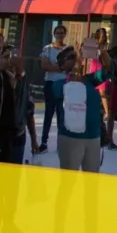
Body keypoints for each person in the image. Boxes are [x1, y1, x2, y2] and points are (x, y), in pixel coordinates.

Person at [48, 43, 112, 173]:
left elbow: (109, 70)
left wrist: (102, 51)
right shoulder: (59, 85)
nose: (76, 59)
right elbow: (70, 89)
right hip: (70, 138)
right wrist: (76, 70)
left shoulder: (90, 80)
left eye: (76, 56)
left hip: (93, 137)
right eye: (71, 57)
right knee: (68, 182)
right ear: (62, 65)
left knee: (91, 181)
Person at [38, 24, 69, 153]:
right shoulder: (48, 49)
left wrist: (55, 67)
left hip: (63, 84)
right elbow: (44, 66)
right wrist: (61, 67)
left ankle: (61, 143)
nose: (60, 35)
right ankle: (44, 142)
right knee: (49, 113)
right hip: (50, 83)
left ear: (65, 34)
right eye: (58, 32)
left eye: (62, 33)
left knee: (61, 114)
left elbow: (71, 66)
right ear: (54, 34)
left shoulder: (68, 49)